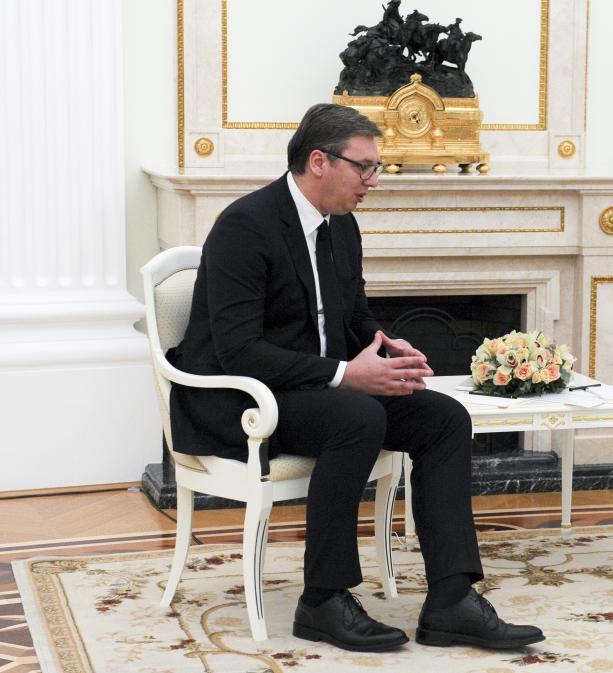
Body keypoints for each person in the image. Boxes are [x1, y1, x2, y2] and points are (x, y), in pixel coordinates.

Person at [167, 103, 544, 652]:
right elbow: (240, 350)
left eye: (376, 168)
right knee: (357, 415)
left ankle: (451, 599)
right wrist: (347, 373)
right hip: (246, 397)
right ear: (319, 161)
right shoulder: (244, 227)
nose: (373, 180)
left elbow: (352, 314)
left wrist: (385, 344)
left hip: (318, 387)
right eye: (364, 167)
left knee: (443, 417)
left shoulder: (341, 226)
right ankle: (322, 599)